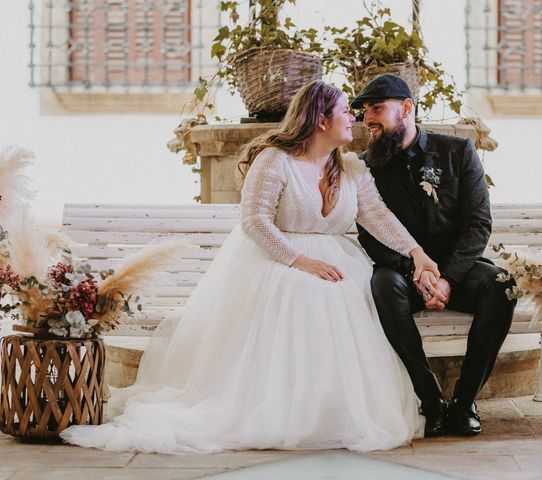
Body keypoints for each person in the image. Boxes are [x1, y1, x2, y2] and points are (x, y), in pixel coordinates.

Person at [60, 80, 440, 453]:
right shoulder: (276, 160)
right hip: (280, 256)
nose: (353, 119)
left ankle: (336, 410)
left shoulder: (353, 168)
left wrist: (416, 252)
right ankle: (284, 411)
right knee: (305, 294)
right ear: (321, 120)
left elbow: (377, 215)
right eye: (344, 111)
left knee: (354, 294)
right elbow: (255, 220)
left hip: (339, 261)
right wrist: (299, 261)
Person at [351, 74, 517, 436]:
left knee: (502, 285)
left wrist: (447, 278)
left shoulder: (458, 152)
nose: (368, 120)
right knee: (382, 285)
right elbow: (370, 234)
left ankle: (463, 403)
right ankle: (430, 401)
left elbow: (478, 225)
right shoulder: (366, 166)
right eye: (364, 112)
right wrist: (416, 271)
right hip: (403, 273)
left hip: (458, 270)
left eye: (376, 108)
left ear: (406, 108)